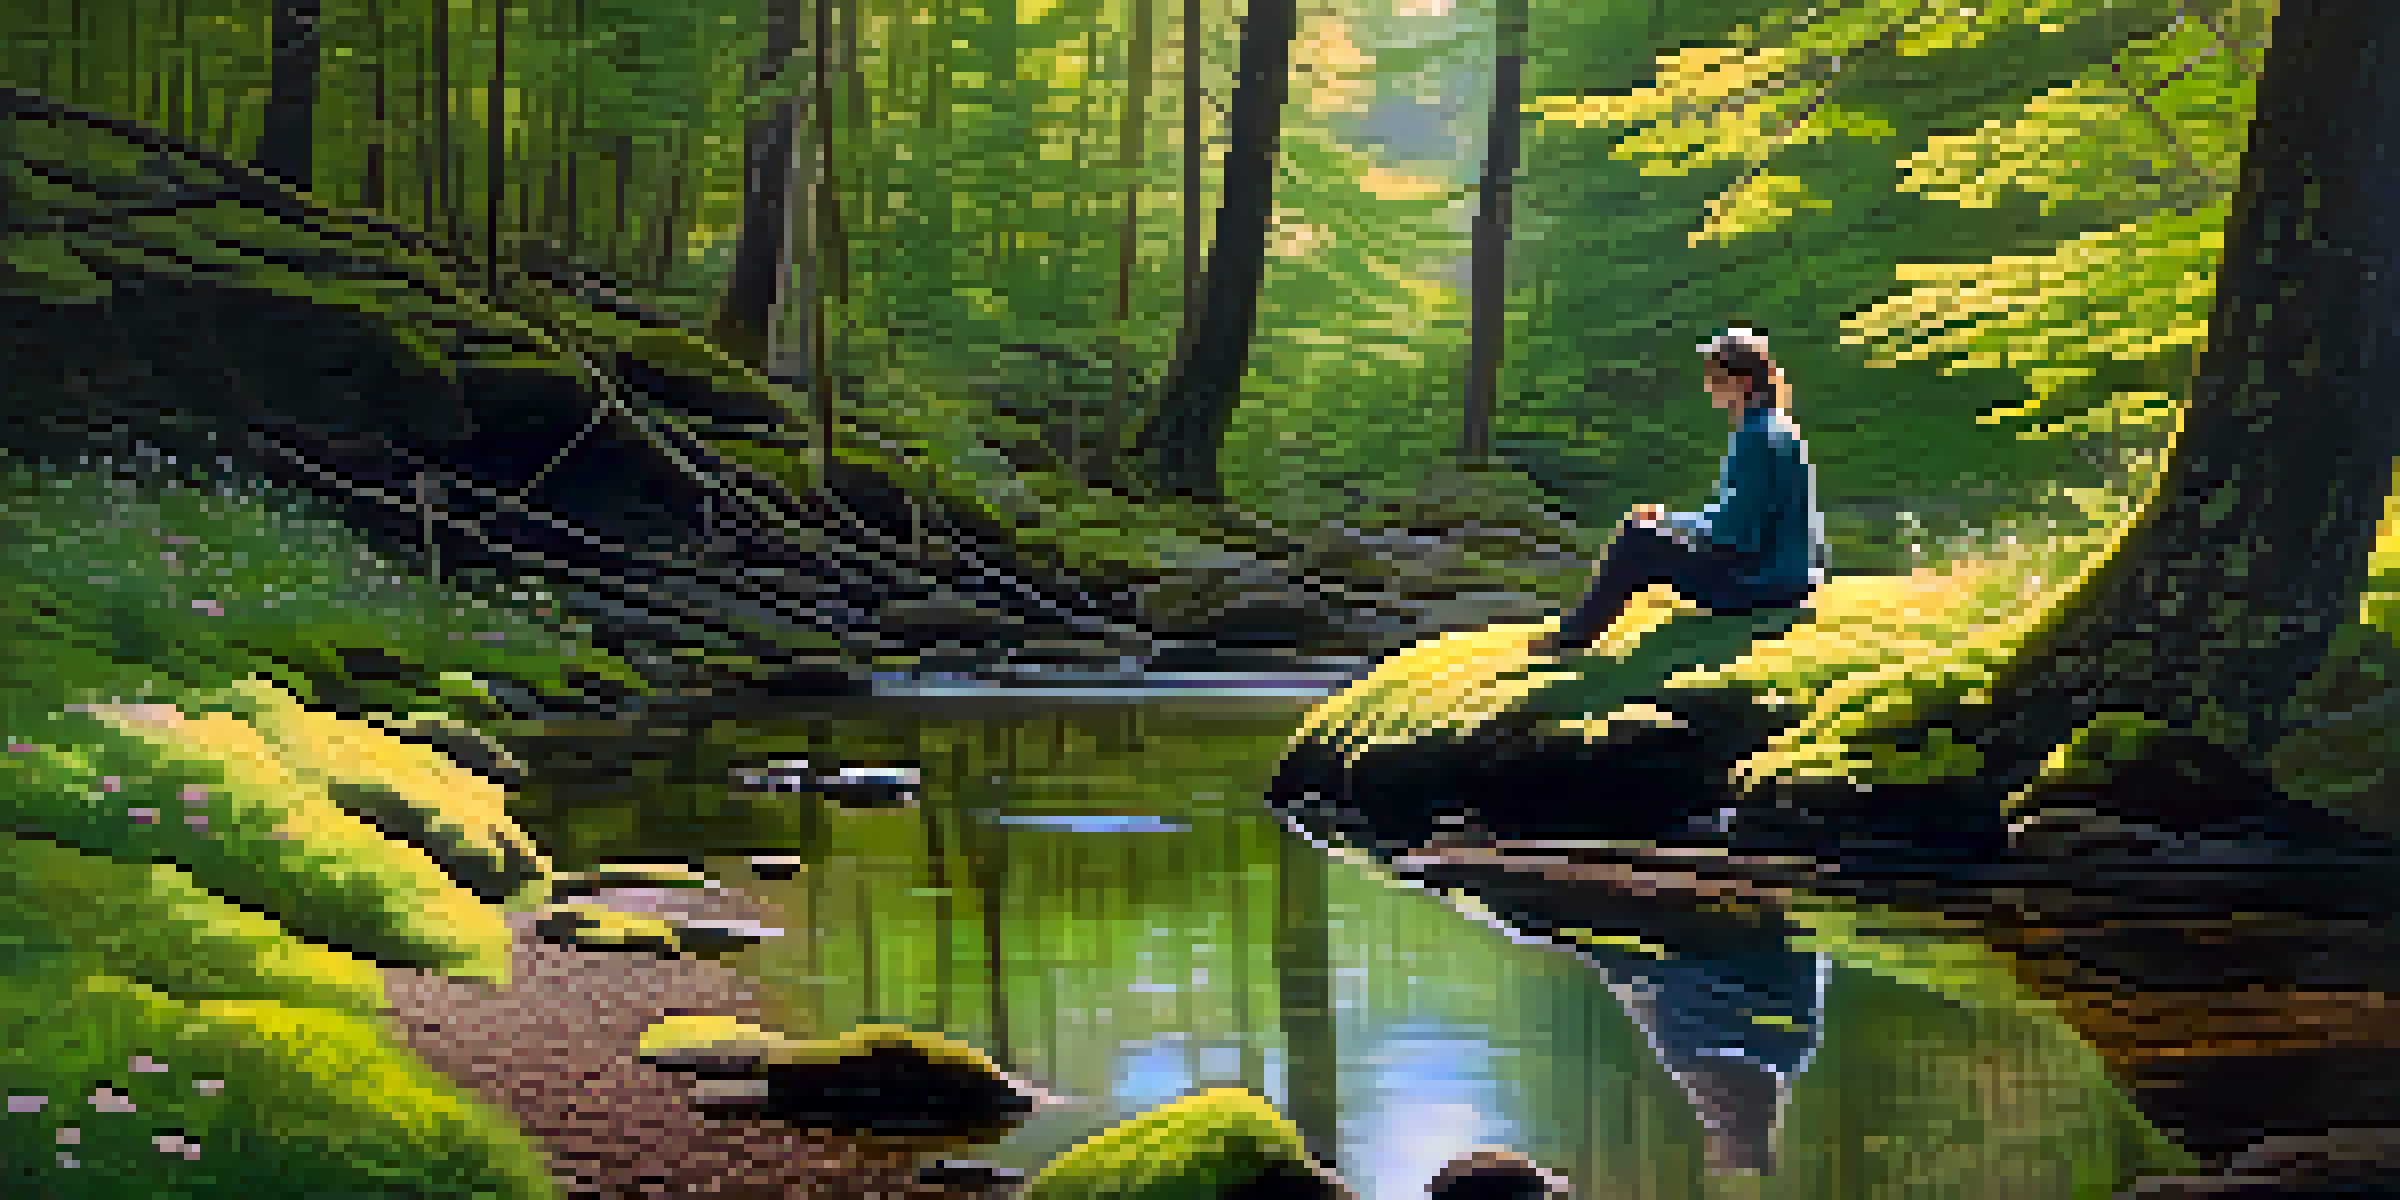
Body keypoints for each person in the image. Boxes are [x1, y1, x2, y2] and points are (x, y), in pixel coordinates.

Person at [1536, 327, 1828, 654]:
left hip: (1759, 584)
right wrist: (1670, 522)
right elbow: (1743, 516)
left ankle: (1573, 637)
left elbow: (1734, 532)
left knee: (1636, 539)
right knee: (1646, 538)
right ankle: (1578, 630)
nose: (1709, 387)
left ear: (1743, 382)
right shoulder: (1780, 428)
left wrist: (1669, 524)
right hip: (1789, 579)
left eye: (1717, 379)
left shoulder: (1756, 437)